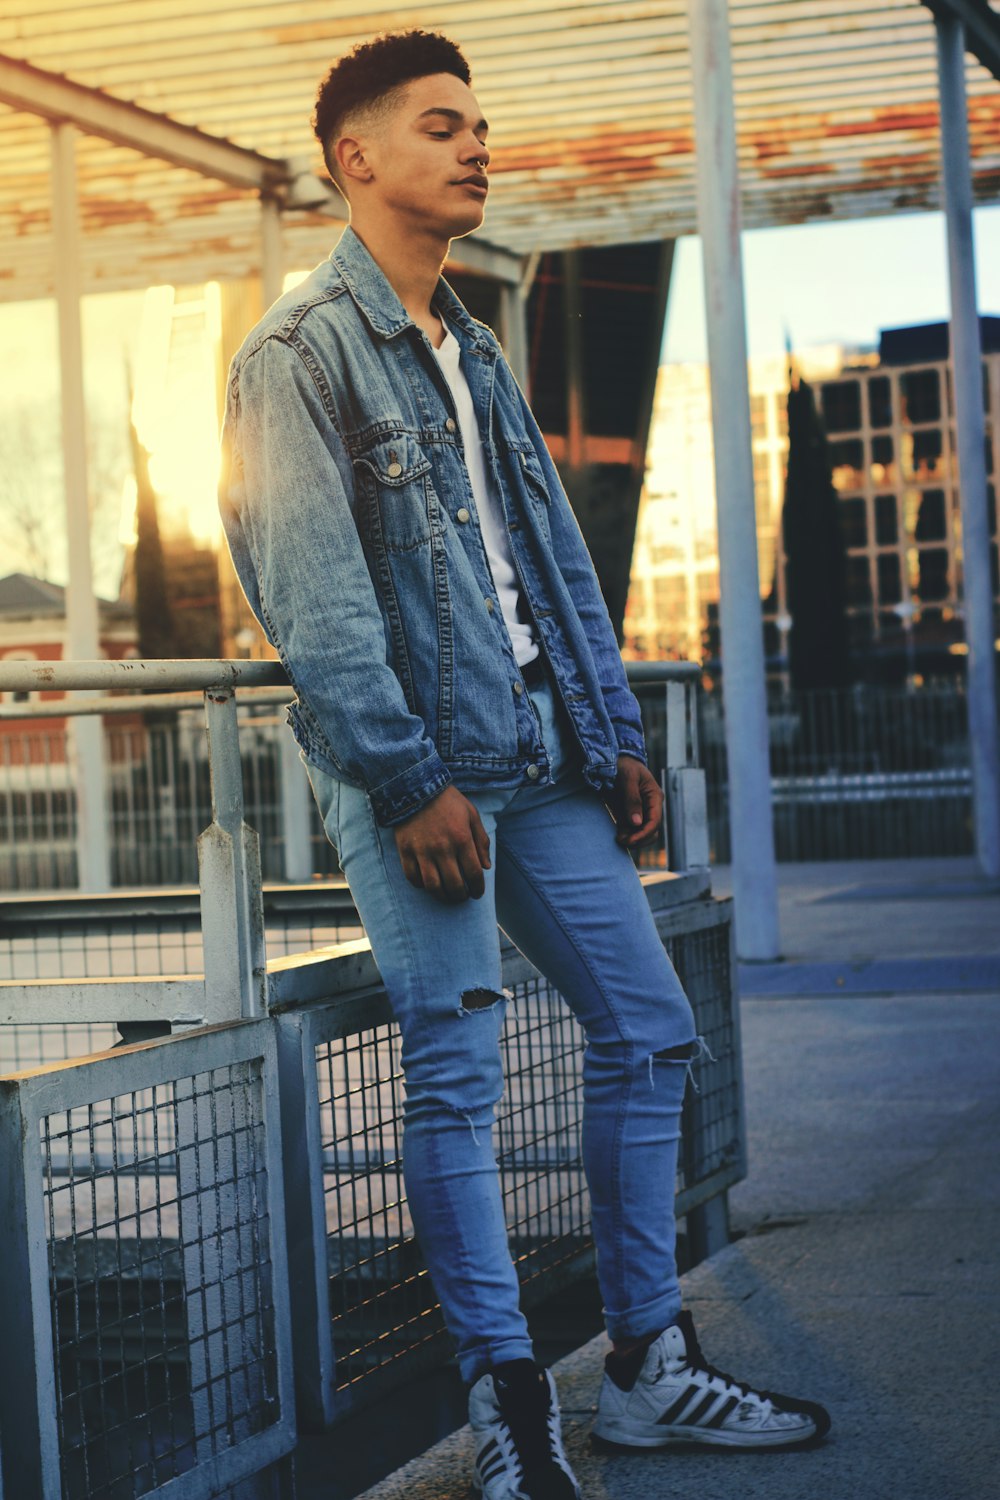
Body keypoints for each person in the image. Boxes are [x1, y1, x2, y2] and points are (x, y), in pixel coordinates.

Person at [218, 28, 830, 1499]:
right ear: (355, 159)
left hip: (544, 754)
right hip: (414, 772)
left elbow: (549, 561)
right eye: (442, 126)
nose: (476, 147)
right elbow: (316, 600)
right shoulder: (295, 356)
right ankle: (506, 1402)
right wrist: (408, 778)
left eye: (480, 126)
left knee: (651, 1027)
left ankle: (642, 1368)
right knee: (457, 1075)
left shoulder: (474, 348)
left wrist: (613, 732)